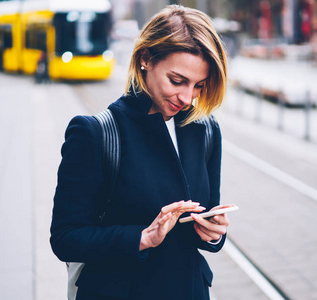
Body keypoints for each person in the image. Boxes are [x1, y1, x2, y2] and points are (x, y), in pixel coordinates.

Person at [50, 5, 230, 300]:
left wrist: (214, 233)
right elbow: (66, 238)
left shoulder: (205, 130)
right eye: (177, 81)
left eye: (199, 85)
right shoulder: (96, 133)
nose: (187, 98)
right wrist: (142, 238)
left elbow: (207, 219)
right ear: (145, 58)